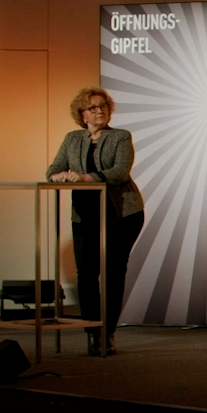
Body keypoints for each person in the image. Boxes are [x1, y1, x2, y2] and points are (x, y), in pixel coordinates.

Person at [48, 87, 145, 356]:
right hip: (86, 214)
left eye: (104, 106)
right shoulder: (72, 139)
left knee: (113, 272)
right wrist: (58, 176)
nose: (100, 111)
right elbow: (53, 168)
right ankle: (92, 330)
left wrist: (85, 178)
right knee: (86, 273)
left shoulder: (120, 136)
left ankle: (108, 332)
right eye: (93, 107)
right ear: (82, 114)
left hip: (121, 212)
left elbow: (119, 172)